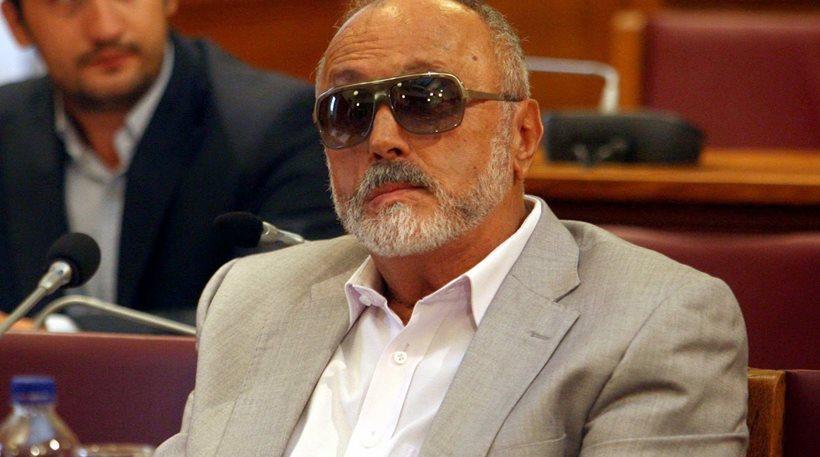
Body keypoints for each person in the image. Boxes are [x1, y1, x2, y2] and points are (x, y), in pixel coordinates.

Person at [156, 0, 749, 455]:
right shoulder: (249, 300)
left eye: (427, 100)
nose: (382, 140)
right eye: (348, 111)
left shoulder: (654, 321)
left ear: (522, 135)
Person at [0, 0, 342, 329]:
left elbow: (281, 311)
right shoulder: (7, 129)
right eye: (66, 2)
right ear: (16, 23)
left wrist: (52, 335)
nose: (105, 28)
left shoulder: (273, 126)